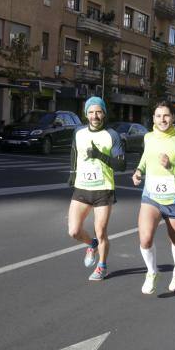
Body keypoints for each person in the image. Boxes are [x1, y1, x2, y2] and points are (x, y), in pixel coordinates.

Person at [132, 101, 175, 294]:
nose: (162, 119)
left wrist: (171, 167)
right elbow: (146, 156)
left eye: (166, 115)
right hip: (151, 196)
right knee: (145, 238)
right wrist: (138, 170)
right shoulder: (149, 137)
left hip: (174, 199)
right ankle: (152, 272)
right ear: (153, 118)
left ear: (173, 117)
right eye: (158, 116)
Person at [67, 96, 126, 281]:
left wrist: (99, 155)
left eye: (98, 112)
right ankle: (91, 244)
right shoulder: (78, 133)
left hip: (103, 189)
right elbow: (74, 153)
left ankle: (102, 266)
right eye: (91, 112)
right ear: (86, 114)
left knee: (101, 231)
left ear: (104, 114)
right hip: (82, 188)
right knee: (74, 231)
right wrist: (72, 172)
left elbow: (121, 166)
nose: (95, 116)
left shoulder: (112, 135)